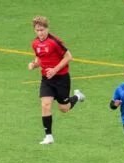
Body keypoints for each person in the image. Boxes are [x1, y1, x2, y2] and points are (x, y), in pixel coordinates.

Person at [27, 15, 85, 145]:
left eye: (42, 30)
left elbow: (69, 57)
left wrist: (54, 70)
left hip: (61, 79)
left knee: (64, 108)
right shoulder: (35, 43)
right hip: (47, 79)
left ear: (47, 28)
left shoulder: (55, 42)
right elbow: (40, 59)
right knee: (45, 104)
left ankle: (77, 96)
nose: (40, 33)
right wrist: (34, 65)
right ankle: (49, 136)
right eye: (37, 30)